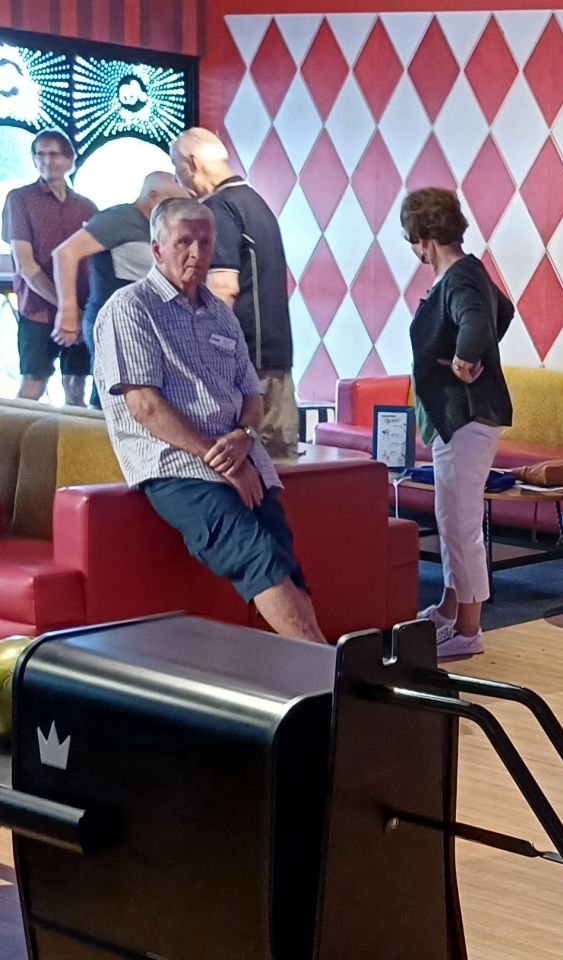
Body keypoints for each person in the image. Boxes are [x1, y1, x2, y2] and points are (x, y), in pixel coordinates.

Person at [94, 196, 324, 643]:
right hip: (177, 467)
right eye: (184, 242)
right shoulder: (130, 308)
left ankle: (311, 675)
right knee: (257, 555)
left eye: (205, 241)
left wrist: (245, 436)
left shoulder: (220, 313)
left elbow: (250, 394)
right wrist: (224, 460)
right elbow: (146, 408)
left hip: (242, 458)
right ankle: (330, 677)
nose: (197, 253)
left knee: (284, 560)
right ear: (157, 249)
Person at [403, 188, 513, 659]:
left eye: (412, 241)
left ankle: (468, 630)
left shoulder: (460, 278)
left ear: (425, 239)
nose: (413, 251)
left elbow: (478, 321)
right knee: (452, 519)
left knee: (460, 522)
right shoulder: (467, 272)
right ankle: (451, 608)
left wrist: (466, 360)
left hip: (466, 416)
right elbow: (501, 311)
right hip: (461, 418)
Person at [170, 127, 297, 459]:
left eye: (176, 168)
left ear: (191, 162)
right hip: (275, 354)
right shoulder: (256, 203)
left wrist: (201, 354)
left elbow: (223, 287)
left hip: (242, 364)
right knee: (281, 466)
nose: (178, 179)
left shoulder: (218, 208)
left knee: (238, 465)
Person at [51, 171, 188, 407]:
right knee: (113, 397)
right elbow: (65, 253)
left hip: (147, 322)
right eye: (174, 201)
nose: (178, 208)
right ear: (153, 196)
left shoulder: (160, 225)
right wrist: (68, 311)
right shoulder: (117, 219)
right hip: (113, 321)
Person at [1, 129, 97, 405]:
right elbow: (26, 265)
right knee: (32, 387)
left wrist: (80, 311)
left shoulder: (87, 207)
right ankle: (11, 447)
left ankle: (69, 448)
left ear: (69, 160)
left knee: (75, 388)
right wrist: (66, 307)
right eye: (40, 154)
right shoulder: (19, 199)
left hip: (80, 311)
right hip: (39, 312)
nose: (46, 160)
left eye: (54, 154)